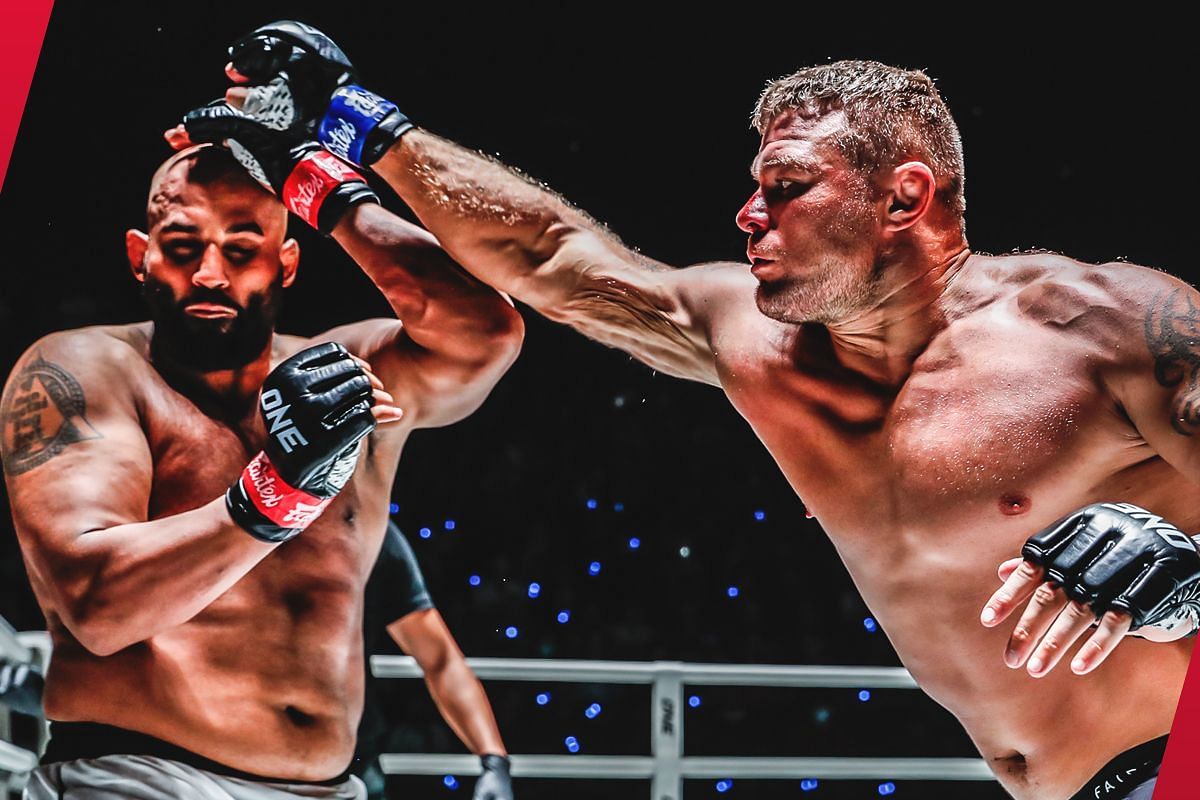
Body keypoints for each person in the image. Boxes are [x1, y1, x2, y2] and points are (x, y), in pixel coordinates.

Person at [184, 22, 1200, 800]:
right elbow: (552, 257)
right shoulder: (749, 337)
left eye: (788, 186)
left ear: (904, 198)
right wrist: (339, 138)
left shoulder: (1110, 329)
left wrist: (1188, 577)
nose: (748, 214)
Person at [1, 120, 524, 798]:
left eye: (242, 249)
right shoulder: (84, 370)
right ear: (140, 255)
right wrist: (276, 493)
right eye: (183, 247)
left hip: (330, 785)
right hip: (136, 775)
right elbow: (97, 607)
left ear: (286, 262)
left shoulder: (348, 371)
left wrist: (323, 189)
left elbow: (487, 329)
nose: (210, 274)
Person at [354, 521, 511, 800]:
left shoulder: (369, 529)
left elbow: (441, 660)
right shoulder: (250, 522)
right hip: (253, 766)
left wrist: (494, 760)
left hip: (351, 769)